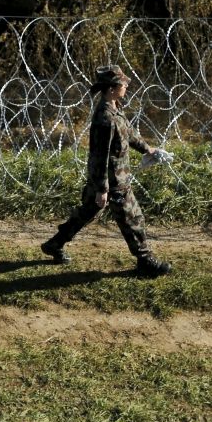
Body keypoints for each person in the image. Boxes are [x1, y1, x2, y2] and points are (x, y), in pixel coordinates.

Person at [40, 65, 172, 277]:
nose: (126, 85)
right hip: (112, 180)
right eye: (123, 83)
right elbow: (100, 156)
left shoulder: (114, 109)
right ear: (111, 88)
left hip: (108, 179)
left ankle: (54, 244)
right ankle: (145, 261)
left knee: (87, 212)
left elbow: (129, 133)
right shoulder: (105, 119)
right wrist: (103, 189)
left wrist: (149, 149)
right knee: (132, 218)